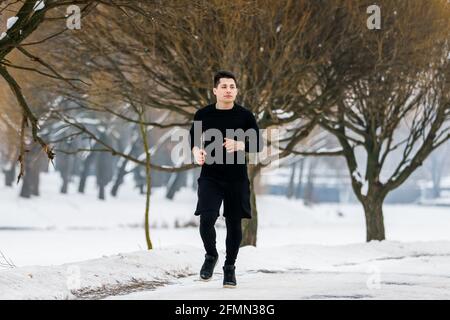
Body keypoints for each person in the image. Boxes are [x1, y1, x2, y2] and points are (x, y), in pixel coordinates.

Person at [189, 70, 263, 288]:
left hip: (236, 178)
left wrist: (242, 144)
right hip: (210, 176)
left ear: (236, 90)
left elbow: (258, 143)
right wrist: (195, 150)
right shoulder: (203, 114)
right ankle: (211, 255)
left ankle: (229, 267)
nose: (229, 90)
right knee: (206, 219)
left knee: (234, 223)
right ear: (215, 90)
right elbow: (193, 136)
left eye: (232, 87)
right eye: (224, 86)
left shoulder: (245, 115)